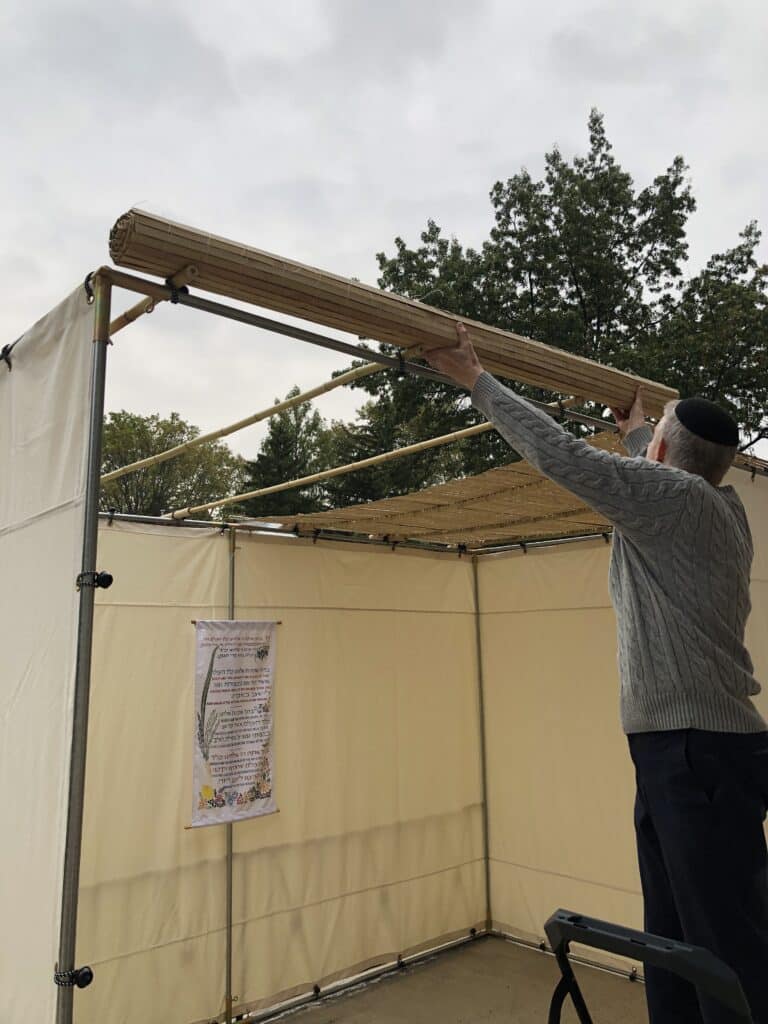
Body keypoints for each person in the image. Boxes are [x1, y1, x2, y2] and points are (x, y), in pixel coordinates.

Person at [425, 323, 768, 1024]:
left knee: (724, 945)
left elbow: (566, 458)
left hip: (695, 748)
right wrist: (644, 428)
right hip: (686, 748)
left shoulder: (671, 502)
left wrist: (476, 378)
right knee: (674, 932)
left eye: (656, 440)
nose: (649, 447)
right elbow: (672, 464)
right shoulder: (720, 507)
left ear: (667, 455)